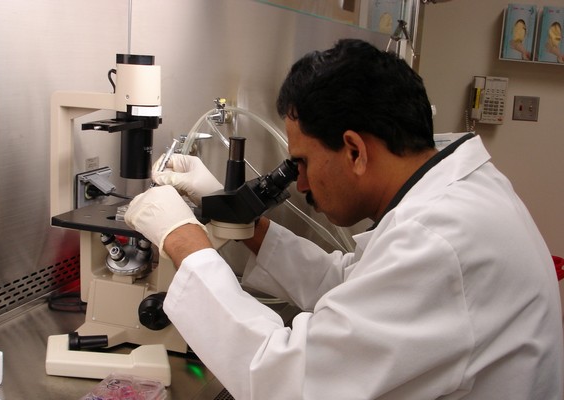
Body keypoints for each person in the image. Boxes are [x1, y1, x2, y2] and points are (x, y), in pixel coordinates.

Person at [125, 39, 563, 399]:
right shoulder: (456, 195)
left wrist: (184, 240)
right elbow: (350, 285)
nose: (300, 185)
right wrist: (243, 221)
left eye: (303, 163)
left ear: (354, 150)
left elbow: (287, 380)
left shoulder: (438, 241)